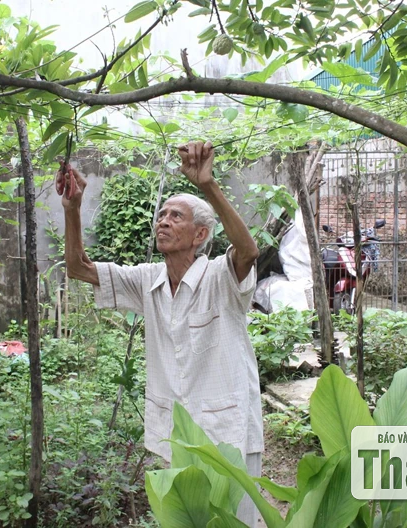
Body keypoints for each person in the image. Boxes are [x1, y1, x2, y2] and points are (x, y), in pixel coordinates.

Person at [59, 140, 263, 526]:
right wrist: (72, 209)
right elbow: (78, 268)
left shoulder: (221, 276)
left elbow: (248, 251)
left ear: (200, 235)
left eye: (176, 217)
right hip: (176, 432)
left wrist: (207, 185)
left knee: (235, 521)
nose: (163, 221)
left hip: (229, 431)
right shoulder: (147, 280)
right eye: (162, 215)